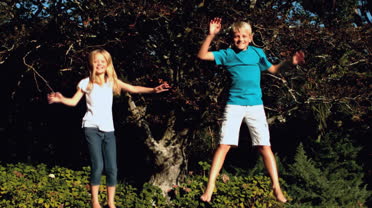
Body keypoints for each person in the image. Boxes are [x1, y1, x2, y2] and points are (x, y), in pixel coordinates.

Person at [197, 18, 305, 203]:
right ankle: (209, 189)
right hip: (234, 104)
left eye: (244, 36)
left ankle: (276, 189)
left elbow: (274, 69)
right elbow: (202, 55)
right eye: (237, 36)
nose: (241, 39)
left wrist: (290, 62)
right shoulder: (226, 54)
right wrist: (211, 35)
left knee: (265, 146)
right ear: (232, 38)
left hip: (255, 106)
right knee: (224, 145)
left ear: (251, 37)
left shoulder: (257, 53)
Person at [47, 49, 170, 208]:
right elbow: (73, 102)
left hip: (108, 130)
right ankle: (95, 202)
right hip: (91, 127)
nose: (99, 64)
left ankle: (111, 203)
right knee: (98, 166)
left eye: (103, 61)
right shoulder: (86, 83)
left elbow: (133, 88)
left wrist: (153, 90)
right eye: (96, 61)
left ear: (107, 64)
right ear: (92, 63)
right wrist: (61, 99)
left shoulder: (111, 81)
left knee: (112, 167)